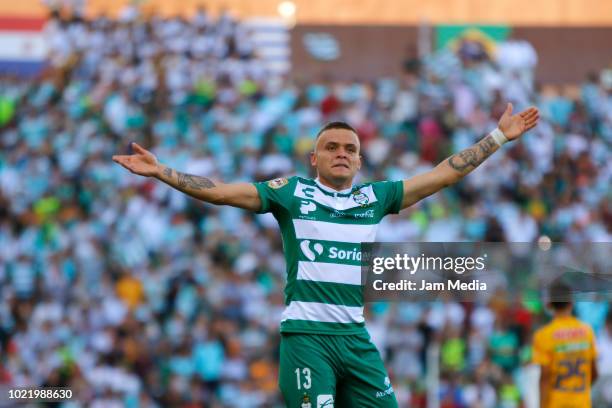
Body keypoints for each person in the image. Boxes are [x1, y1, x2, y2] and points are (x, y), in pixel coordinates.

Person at [113, 103, 538, 407]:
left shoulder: (376, 197)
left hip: (355, 338)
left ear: (359, 161)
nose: (341, 153)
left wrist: (499, 136)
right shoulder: (292, 193)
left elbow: (444, 173)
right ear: (314, 158)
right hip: (308, 338)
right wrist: (162, 171)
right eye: (332, 147)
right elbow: (223, 192)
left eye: (350, 149)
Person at [532, 281, 598, 408]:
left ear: (549, 305)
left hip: (556, 403)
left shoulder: (543, 335)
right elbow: (594, 372)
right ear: (571, 303)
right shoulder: (587, 331)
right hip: (581, 403)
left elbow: (545, 377)